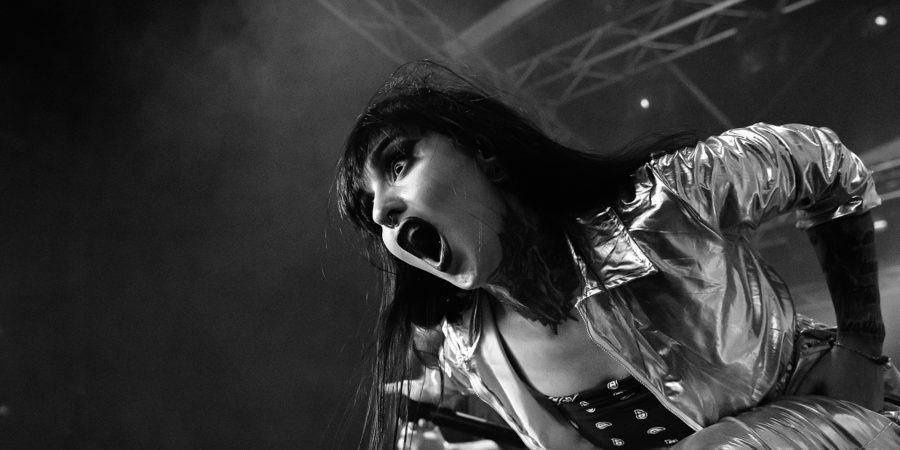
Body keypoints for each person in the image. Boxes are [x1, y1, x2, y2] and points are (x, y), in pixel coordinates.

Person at [334, 60, 900, 449]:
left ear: (486, 154)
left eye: (398, 164)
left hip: (838, 423)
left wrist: (862, 345)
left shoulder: (669, 200)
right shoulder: (468, 347)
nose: (383, 211)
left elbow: (826, 164)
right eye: (369, 208)